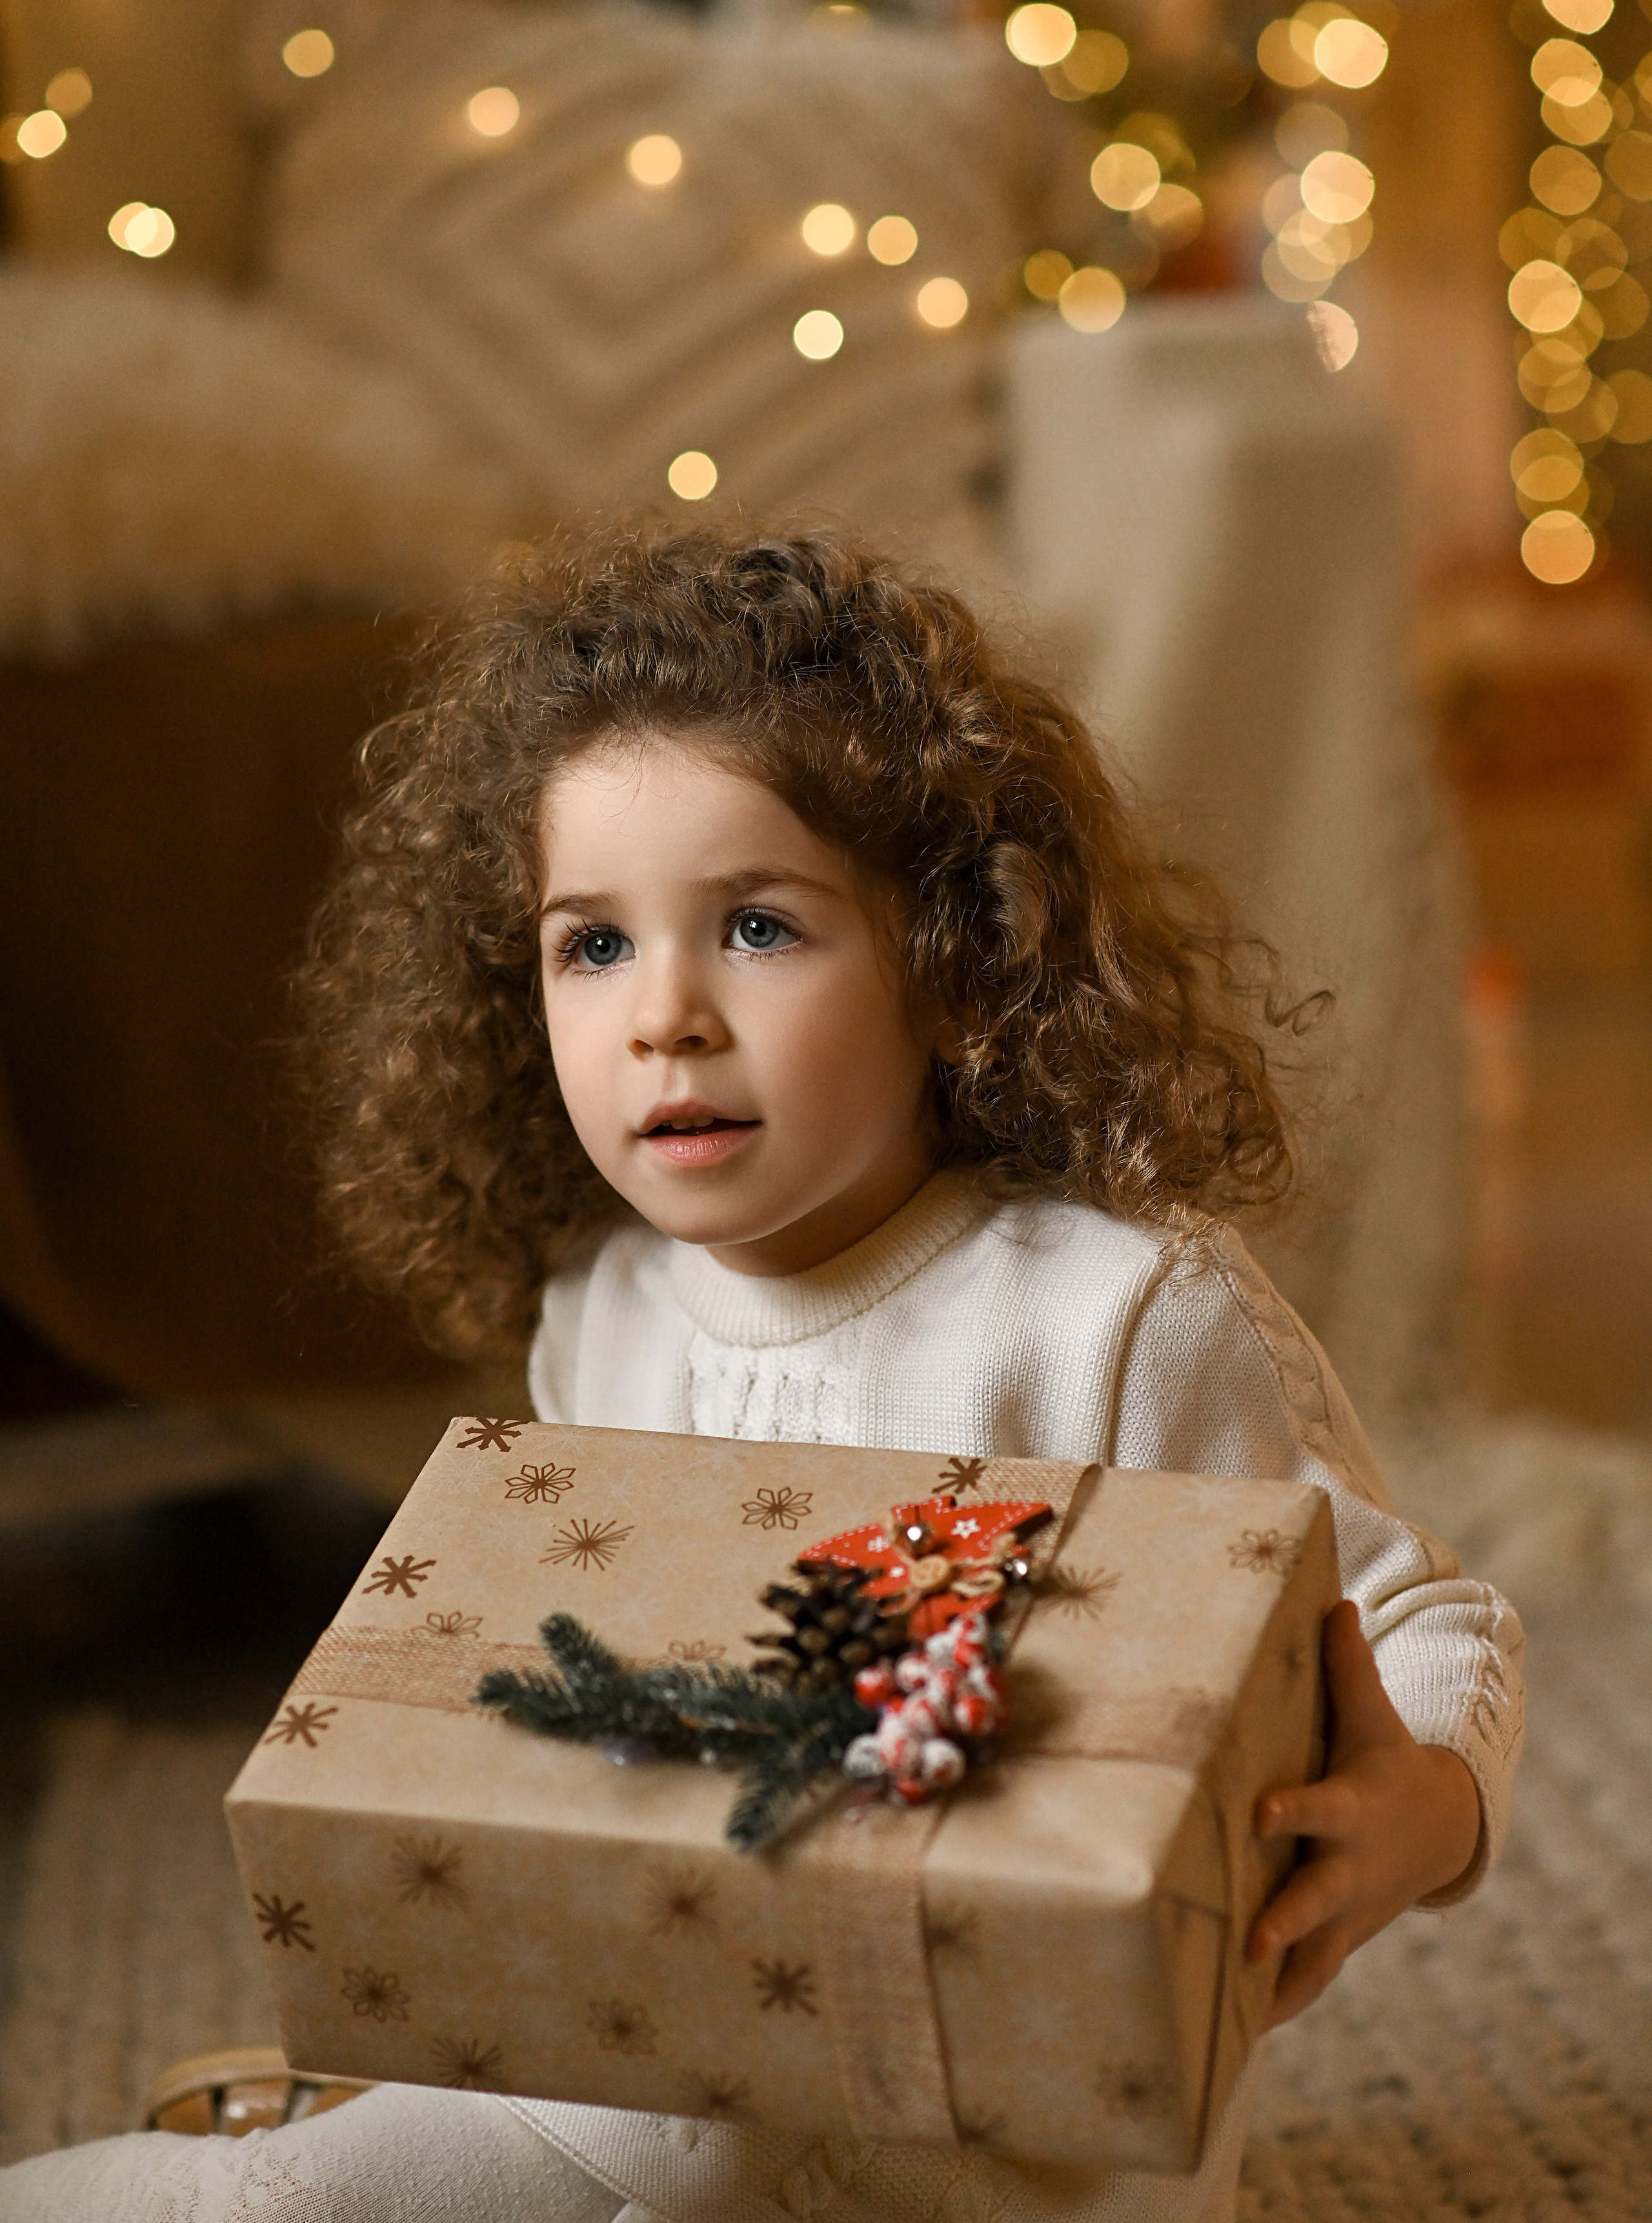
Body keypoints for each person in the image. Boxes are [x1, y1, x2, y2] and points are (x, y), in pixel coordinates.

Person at [0, 527, 1523, 2223]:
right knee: (573, 2090)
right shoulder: (603, 1308)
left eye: (756, 926)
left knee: (420, 2173)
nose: (665, 1014)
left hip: (1013, 2128)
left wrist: (1423, 1802)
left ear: (956, 965)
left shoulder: (1115, 1311)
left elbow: (1422, 1620)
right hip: (687, 2031)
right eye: (592, 945)